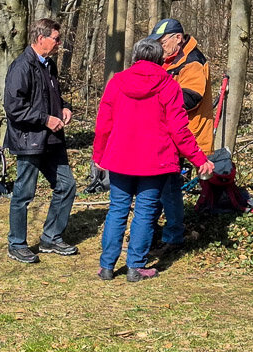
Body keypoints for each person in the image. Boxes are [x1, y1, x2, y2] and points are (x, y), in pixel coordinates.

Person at [92, 38, 215, 281]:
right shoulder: (168, 85)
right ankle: (135, 266)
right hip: (154, 160)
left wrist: (99, 154)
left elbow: (104, 122)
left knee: (117, 210)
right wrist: (199, 158)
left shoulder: (117, 82)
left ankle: (107, 266)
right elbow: (179, 129)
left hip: (120, 158)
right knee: (145, 212)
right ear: (160, 59)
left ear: (135, 58)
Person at [3, 18, 79, 264]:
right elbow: (14, 108)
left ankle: (51, 237)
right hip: (30, 140)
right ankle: (17, 243)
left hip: (52, 141)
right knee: (24, 194)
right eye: (55, 39)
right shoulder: (21, 67)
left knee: (66, 185)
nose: (58, 43)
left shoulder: (49, 66)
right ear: (40, 39)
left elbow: (51, 97)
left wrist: (63, 108)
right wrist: (45, 119)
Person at [150, 18, 213, 257]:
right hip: (169, 132)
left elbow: (191, 97)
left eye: (163, 41)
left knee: (168, 186)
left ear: (178, 38)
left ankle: (173, 237)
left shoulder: (192, 62)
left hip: (187, 134)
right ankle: (154, 230)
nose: (160, 46)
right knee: (159, 184)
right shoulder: (172, 60)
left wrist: (157, 103)